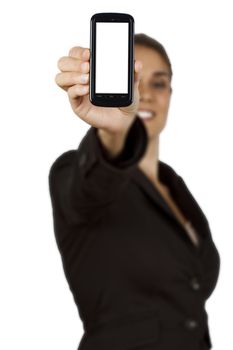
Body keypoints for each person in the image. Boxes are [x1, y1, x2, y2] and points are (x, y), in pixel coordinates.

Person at [49, 33, 220, 350]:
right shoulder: (74, 172)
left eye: (159, 83)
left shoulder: (175, 185)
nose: (144, 95)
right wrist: (117, 132)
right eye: (132, 80)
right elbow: (91, 187)